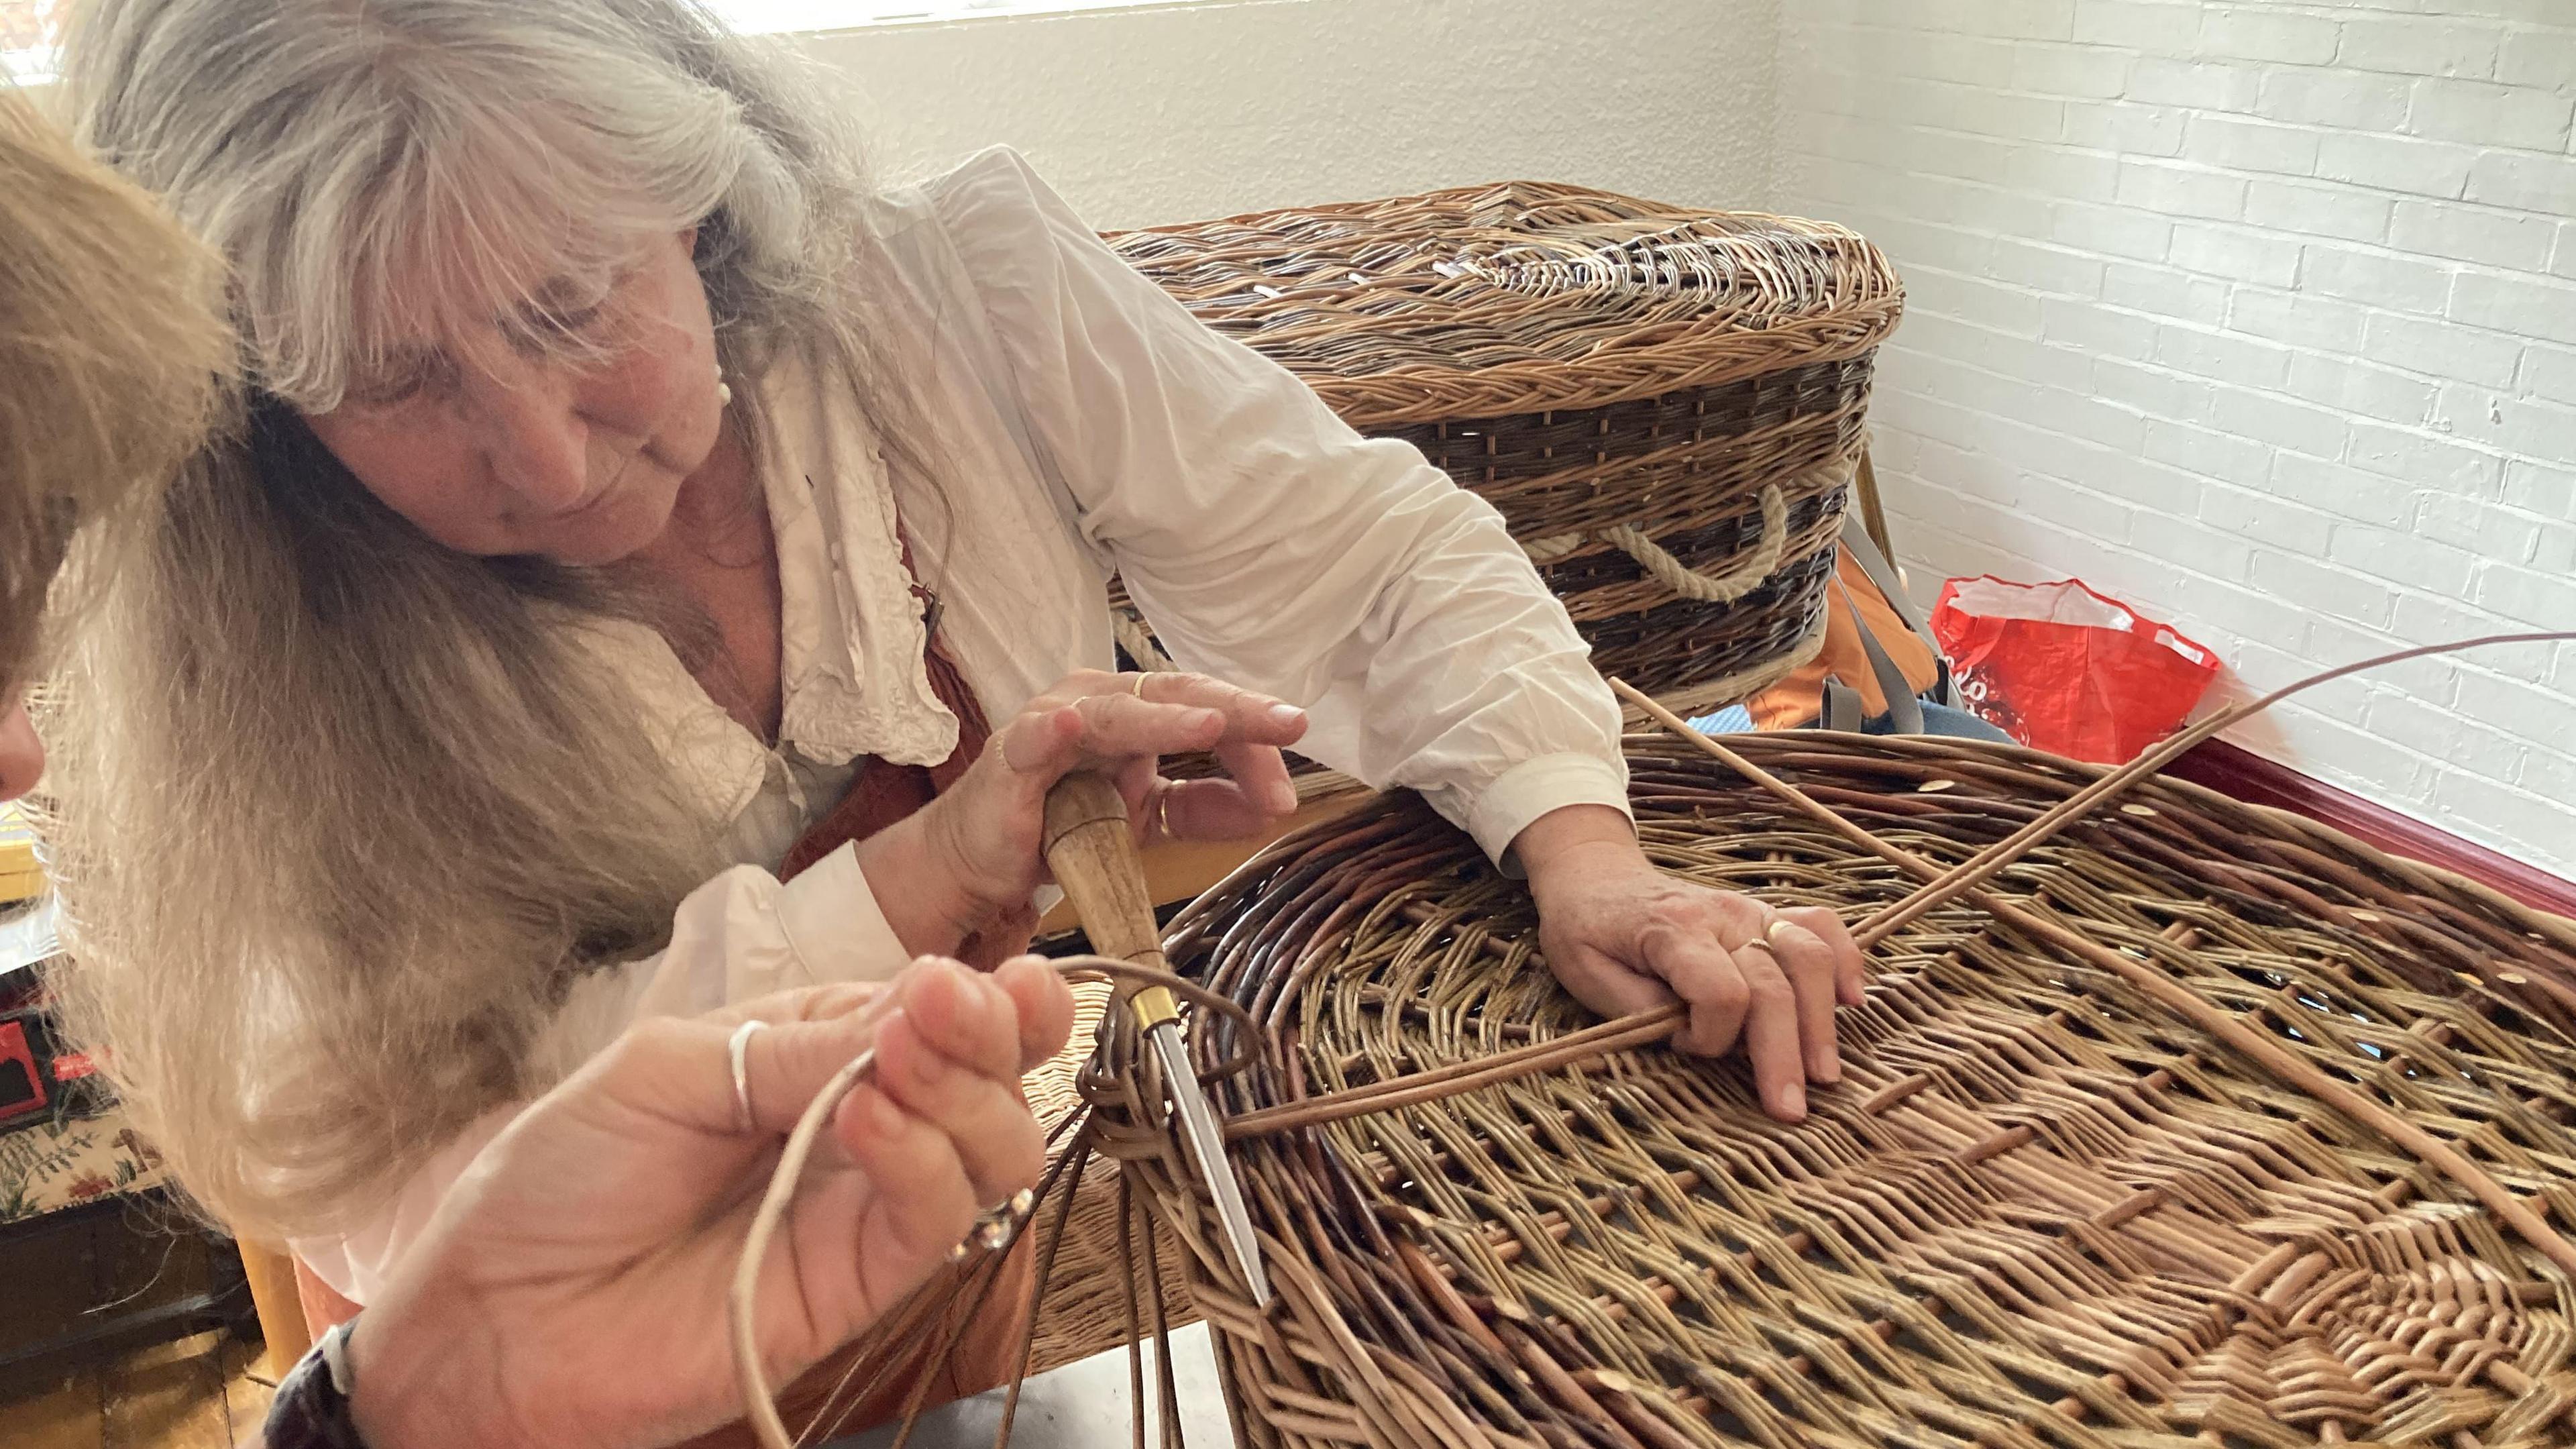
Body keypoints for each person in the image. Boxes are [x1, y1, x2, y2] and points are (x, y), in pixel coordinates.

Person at [47, 0, 1868, 1430]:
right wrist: (917, 879)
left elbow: (1386, 562)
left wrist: (1588, 850)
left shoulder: (955, 297)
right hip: (563, 1382)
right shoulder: (257, 647)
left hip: (990, 1231)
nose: (542, 446)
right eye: (396, 380)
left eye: (568, 297)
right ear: (259, 404)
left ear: (691, 184)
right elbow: (410, 1195)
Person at [1, 89, 1075, 1449]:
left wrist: (398, 1413)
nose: (25, 752)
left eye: (569, 302)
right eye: (394, 378)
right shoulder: (272, 677)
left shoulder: (922, 320)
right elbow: (381, 1180)